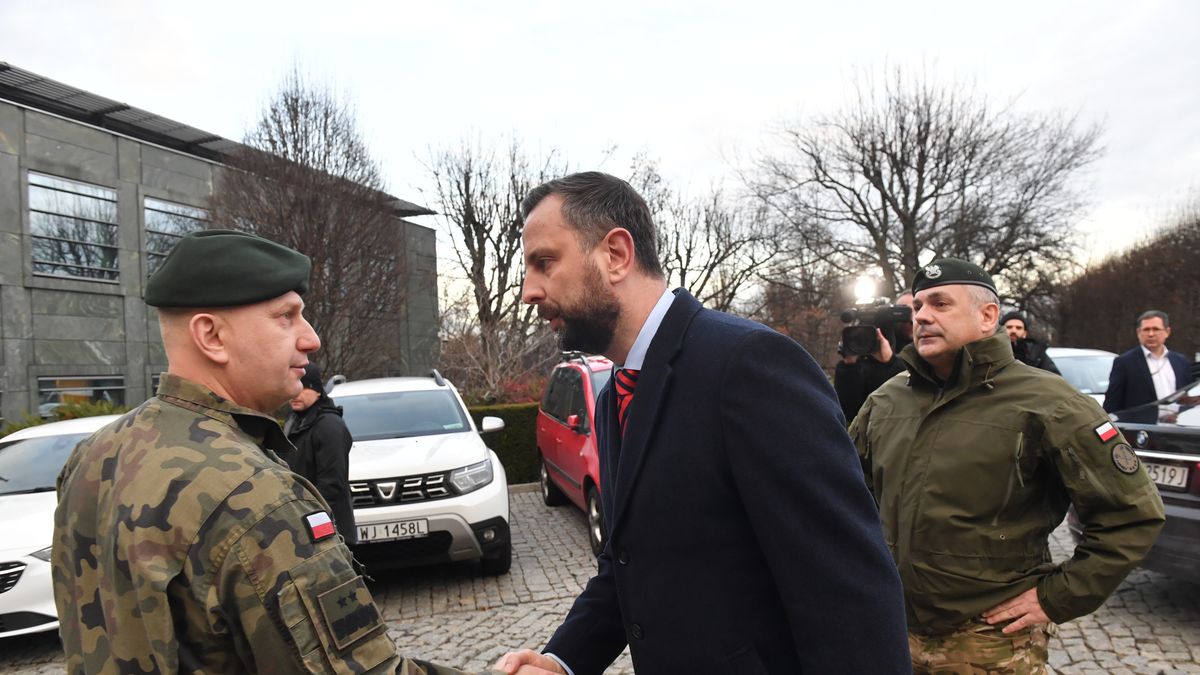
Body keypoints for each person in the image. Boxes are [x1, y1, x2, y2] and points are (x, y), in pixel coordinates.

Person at [496, 172, 910, 675]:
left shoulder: (749, 365)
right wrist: (563, 660)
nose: (527, 291)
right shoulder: (613, 395)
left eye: (544, 262)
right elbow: (630, 561)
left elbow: (849, 590)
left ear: (616, 254)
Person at [51, 230, 495, 675]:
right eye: (286, 317)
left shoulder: (93, 455)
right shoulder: (255, 495)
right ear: (211, 336)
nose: (311, 338)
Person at [850, 259, 1165, 674]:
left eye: (941, 304)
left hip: (988, 642)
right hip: (892, 631)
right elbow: (846, 496)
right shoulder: (888, 400)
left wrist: (1055, 597)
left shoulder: (1051, 403)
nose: (922, 315)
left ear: (988, 316)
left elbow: (1133, 514)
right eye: (919, 306)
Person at [285, 362, 357, 546]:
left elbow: (331, 486)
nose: (295, 394)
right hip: (307, 524)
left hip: (327, 531)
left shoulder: (328, 426)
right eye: (292, 387)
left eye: (302, 388)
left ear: (317, 390)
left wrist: (306, 519)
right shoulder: (296, 421)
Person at [834, 292, 914, 423]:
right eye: (904, 310)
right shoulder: (869, 353)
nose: (910, 318)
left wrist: (890, 363)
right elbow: (847, 414)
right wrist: (849, 366)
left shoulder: (931, 353)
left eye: (916, 308)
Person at [1103, 310, 1192, 413]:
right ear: (1138, 333)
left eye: (1156, 329)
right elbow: (1112, 404)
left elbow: (1186, 399)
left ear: (1167, 332)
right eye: (1146, 329)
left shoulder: (1181, 362)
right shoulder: (1124, 363)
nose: (1151, 334)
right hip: (1141, 427)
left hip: (1175, 427)